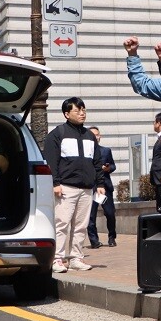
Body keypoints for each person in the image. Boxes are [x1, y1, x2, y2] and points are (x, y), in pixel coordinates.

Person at [43, 98, 105, 274]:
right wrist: (55, 183)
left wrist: (100, 183)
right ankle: (57, 259)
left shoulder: (90, 136)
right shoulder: (57, 134)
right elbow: (51, 161)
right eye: (77, 110)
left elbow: (97, 161)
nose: (82, 113)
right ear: (66, 114)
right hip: (65, 187)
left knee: (81, 225)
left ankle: (76, 258)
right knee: (61, 223)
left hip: (86, 188)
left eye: (83, 110)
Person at [86, 126, 117, 248]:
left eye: (97, 135)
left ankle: (112, 237)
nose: (95, 137)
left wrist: (108, 168)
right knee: (91, 216)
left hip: (104, 187)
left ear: (100, 136)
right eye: (92, 135)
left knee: (110, 213)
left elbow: (113, 166)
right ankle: (94, 241)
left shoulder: (106, 151)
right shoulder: (85, 153)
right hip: (91, 188)